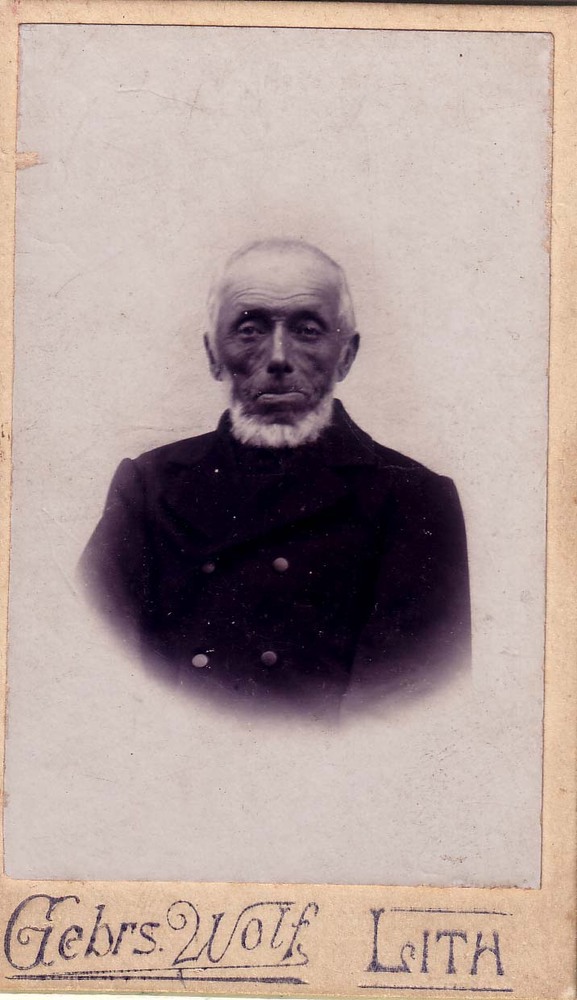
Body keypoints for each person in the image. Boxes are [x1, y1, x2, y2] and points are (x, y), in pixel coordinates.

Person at [81, 239, 470, 712]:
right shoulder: (147, 487)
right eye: (249, 329)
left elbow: (402, 704)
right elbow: (93, 672)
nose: (279, 357)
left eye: (307, 330)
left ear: (346, 355)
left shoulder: (414, 499)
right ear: (212, 354)